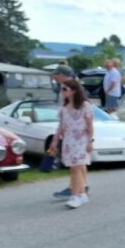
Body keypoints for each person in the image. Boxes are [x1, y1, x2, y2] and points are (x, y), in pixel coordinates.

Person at [48, 78, 93, 209]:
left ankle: (75, 196)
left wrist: (90, 141)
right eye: (61, 89)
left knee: (76, 168)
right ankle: (82, 194)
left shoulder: (85, 106)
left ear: (73, 91)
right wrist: (55, 140)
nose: (62, 92)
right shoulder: (63, 107)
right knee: (74, 167)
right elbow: (61, 126)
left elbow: (90, 126)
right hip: (68, 140)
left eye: (64, 89)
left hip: (81, 140)